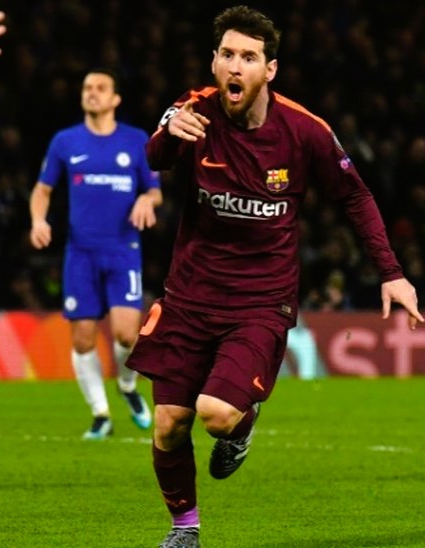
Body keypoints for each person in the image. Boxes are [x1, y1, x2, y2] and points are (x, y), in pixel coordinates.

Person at [125, 6, 424, 547]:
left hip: (259, 302)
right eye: (227, 54)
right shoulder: (192, 110)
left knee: (216, 415)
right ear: (214, 62)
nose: (235, 66)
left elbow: (355, 196)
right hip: (189, 295)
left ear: (270, 69)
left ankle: (242, 424)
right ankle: (185, 530)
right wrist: (169, 132)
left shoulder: (305, 131)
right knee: (168, 423)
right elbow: (155, 156)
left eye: (249, 57)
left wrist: (391, 272)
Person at [30, 68, 162, 440]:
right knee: (83, 340)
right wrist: (38, 220)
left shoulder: (136, 140)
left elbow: (155, 191)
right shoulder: (65, 141)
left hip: (123, 251)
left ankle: (126, 385)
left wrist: (146, 199)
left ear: (115, 99)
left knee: (127, 336)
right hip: (81, 253)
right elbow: (42, 189)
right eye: (87, 87)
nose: (92, 92)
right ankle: (101, 414)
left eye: (101, 87)